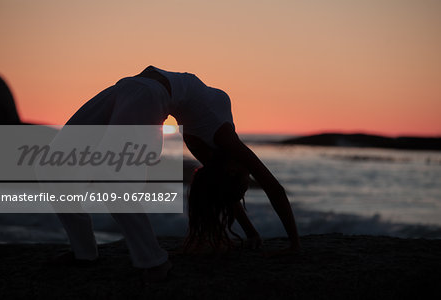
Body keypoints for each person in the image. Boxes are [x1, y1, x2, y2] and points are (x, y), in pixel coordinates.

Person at [54, 65, 300, 280]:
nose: (248, 175)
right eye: (247, 182)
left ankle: (154, 263)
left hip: (148, 96)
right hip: (128, 86)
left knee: (113, 181)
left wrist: (291, 244)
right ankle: (84, 253)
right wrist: (255, 232)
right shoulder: (223, 145)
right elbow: (265, 187)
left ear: (232, 171)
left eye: (244, 181)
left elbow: (256, 188)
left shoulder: (216, 144)